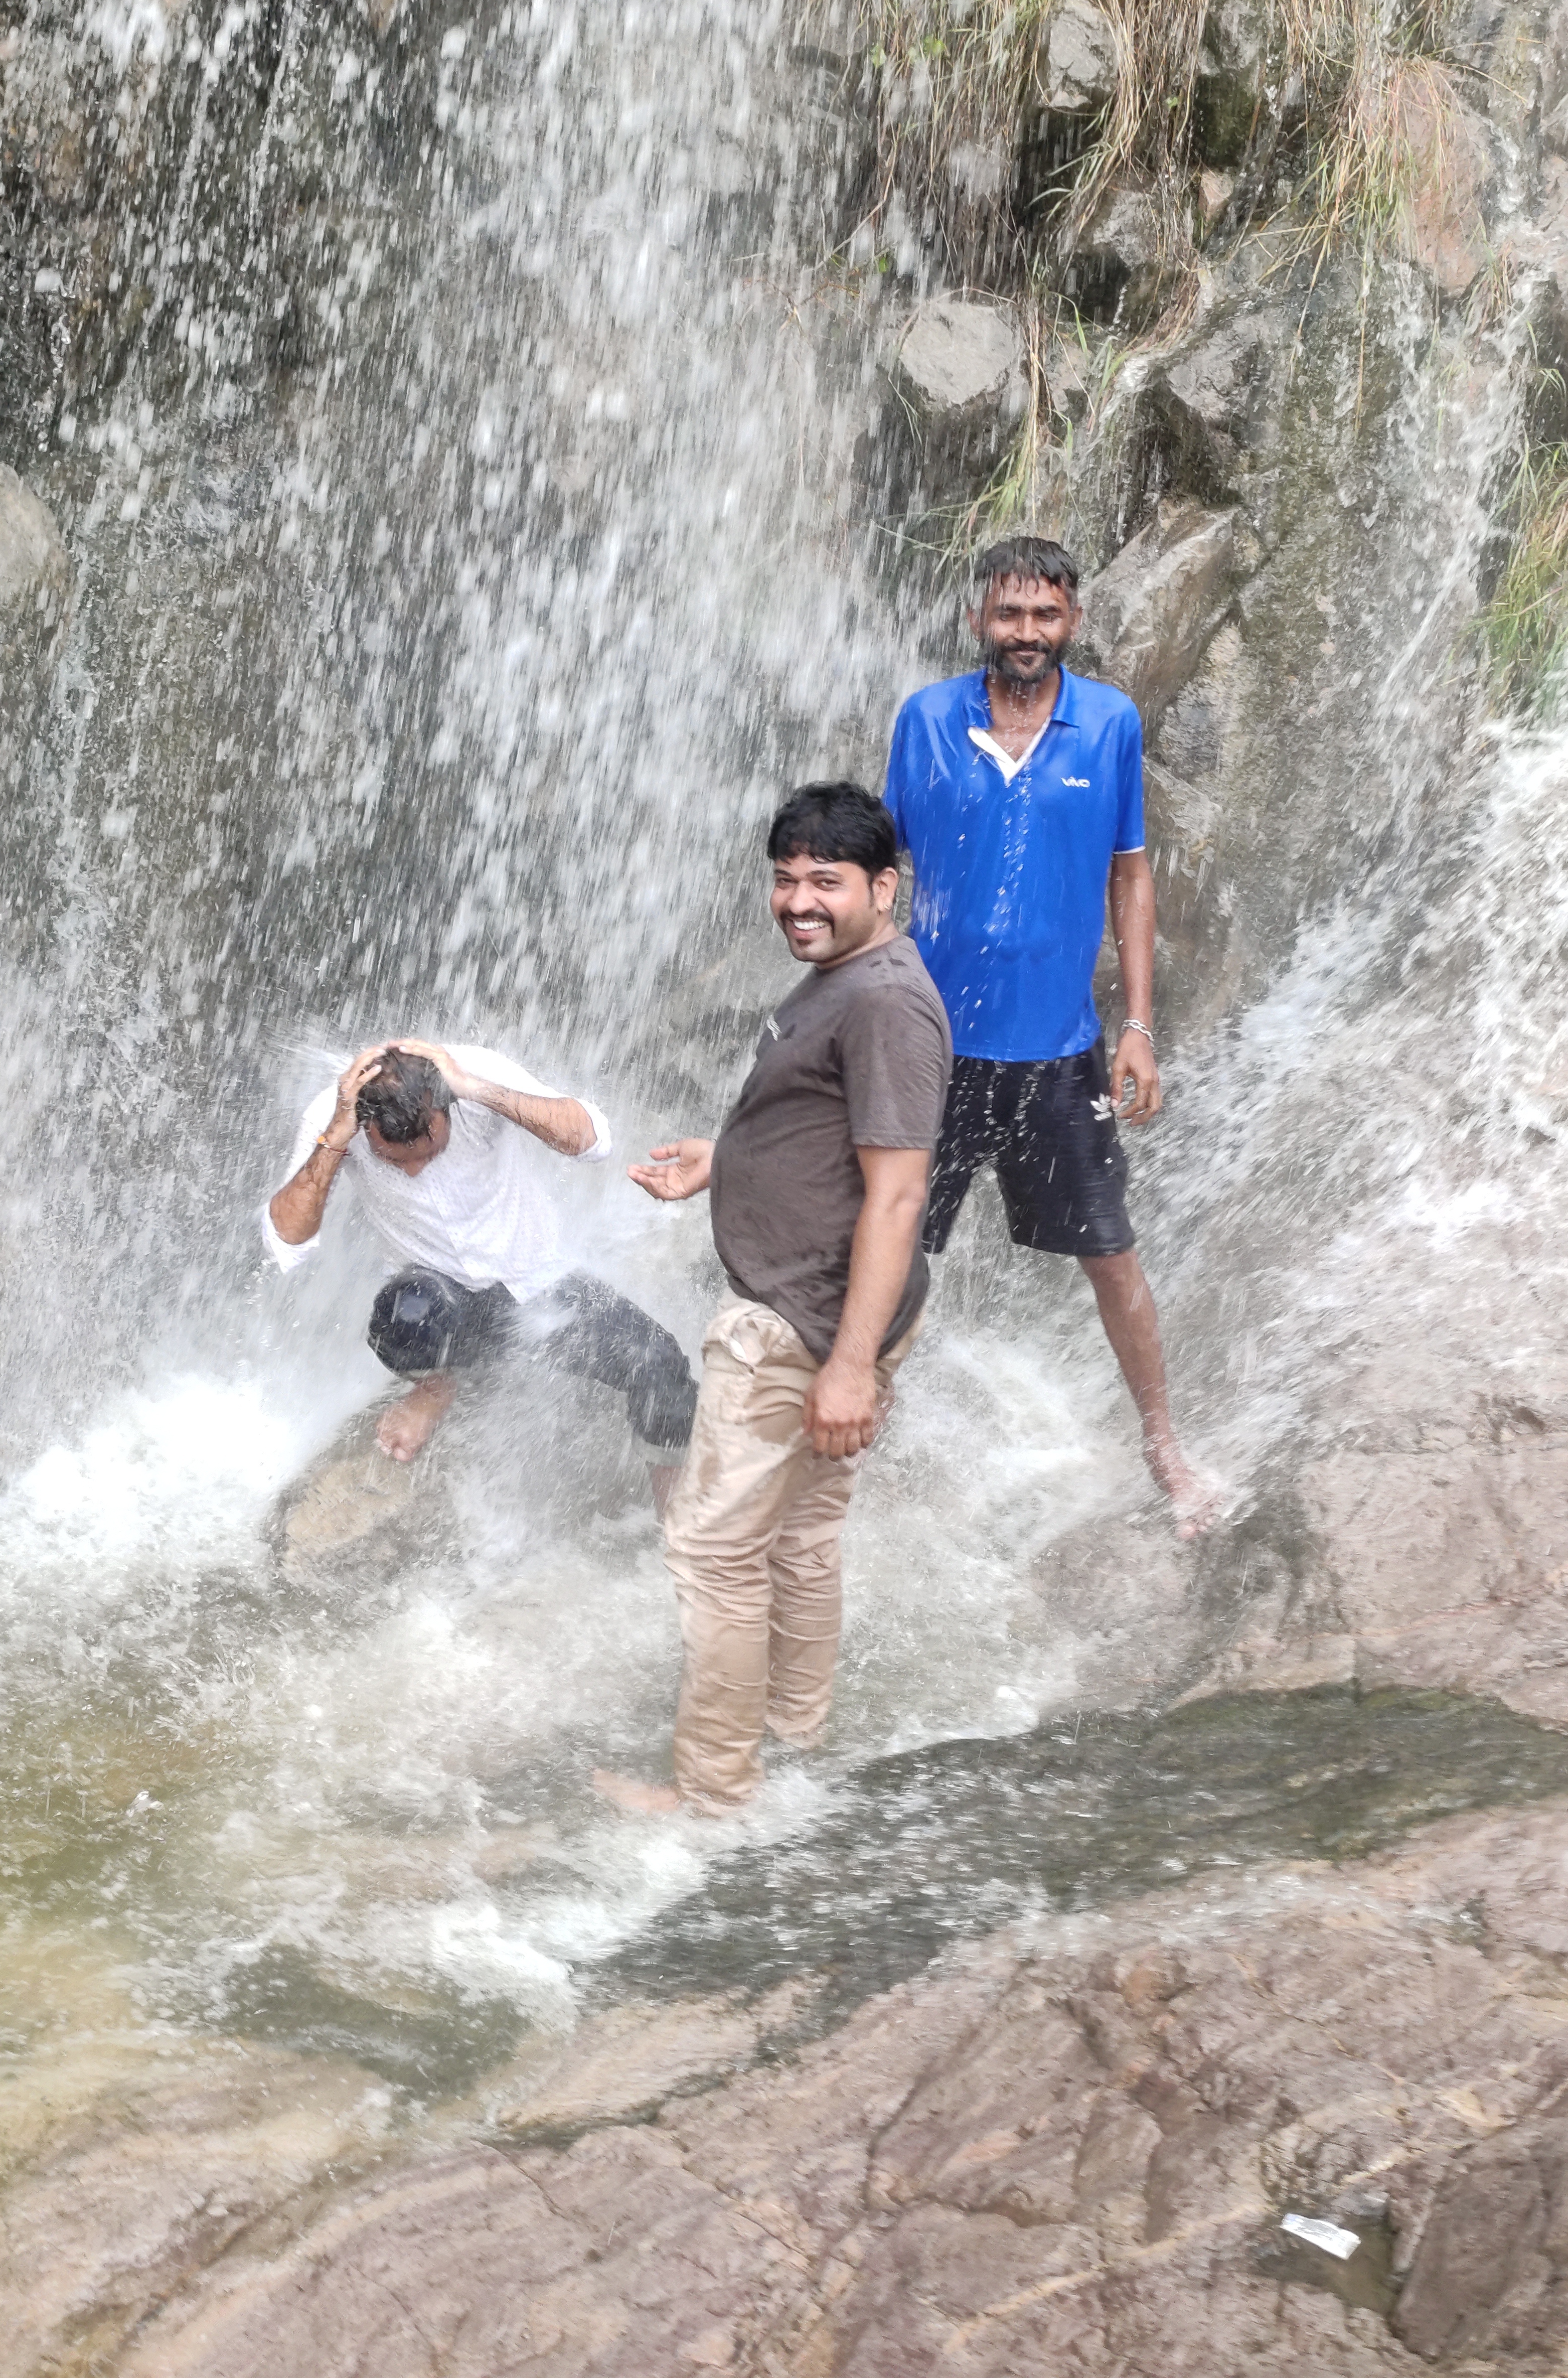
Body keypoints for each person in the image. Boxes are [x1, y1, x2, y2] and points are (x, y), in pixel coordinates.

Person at [594, 783, 949, 1818]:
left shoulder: (883, 1000)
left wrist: (847, 1361)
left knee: (714, 1550)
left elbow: (899, 1193)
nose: (800, 900)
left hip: (802, 1319)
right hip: (824, 1309)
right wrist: (732, 1156)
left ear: (884, 886)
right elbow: (836, 1131)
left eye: (826, 882)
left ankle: (712, 1794)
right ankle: (796, 1733)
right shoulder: (846, 974)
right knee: (797, 1537)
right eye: (786, 878)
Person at [882, 534, 1222, 1537]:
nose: (1025, 633)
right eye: (1008, 614)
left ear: (1071, 619)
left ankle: (1164, 1444)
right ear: (981, 614)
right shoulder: (926, 721)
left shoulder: (1109, 723)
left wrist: (1141, 1027)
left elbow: (1132, 873)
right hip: (932, 1050)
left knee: (1113, 1255)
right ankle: (864, 1424)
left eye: (1044, 616)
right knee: (888, 1245)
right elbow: (884, 873)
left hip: (1059, 1053)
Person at [263, 1038, 697, 1484]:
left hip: (538, 1285)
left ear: (447, 1110)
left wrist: (478, 1090)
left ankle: (679, 1527)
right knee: (402, 1313)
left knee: (661, 1363)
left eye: (429, 1153)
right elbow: (287, 1238)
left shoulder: (470, 1076)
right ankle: (435, 1385)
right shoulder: (336, 1116)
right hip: (439, 1306)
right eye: (395, 1161)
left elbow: (592, 1140)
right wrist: (335, 1138)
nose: (416, 1171)